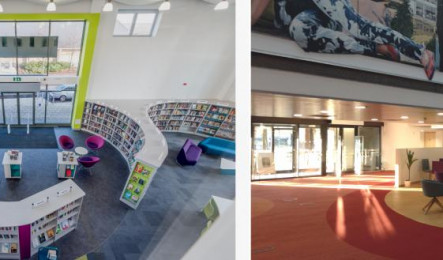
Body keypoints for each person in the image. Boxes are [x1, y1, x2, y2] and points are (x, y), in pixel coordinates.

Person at [252, 0, 435, 80]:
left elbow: (252, 15)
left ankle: (419, 51)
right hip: (301, 15)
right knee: (300, 31)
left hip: (323, 6)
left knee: (359, 26)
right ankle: (376, 48)